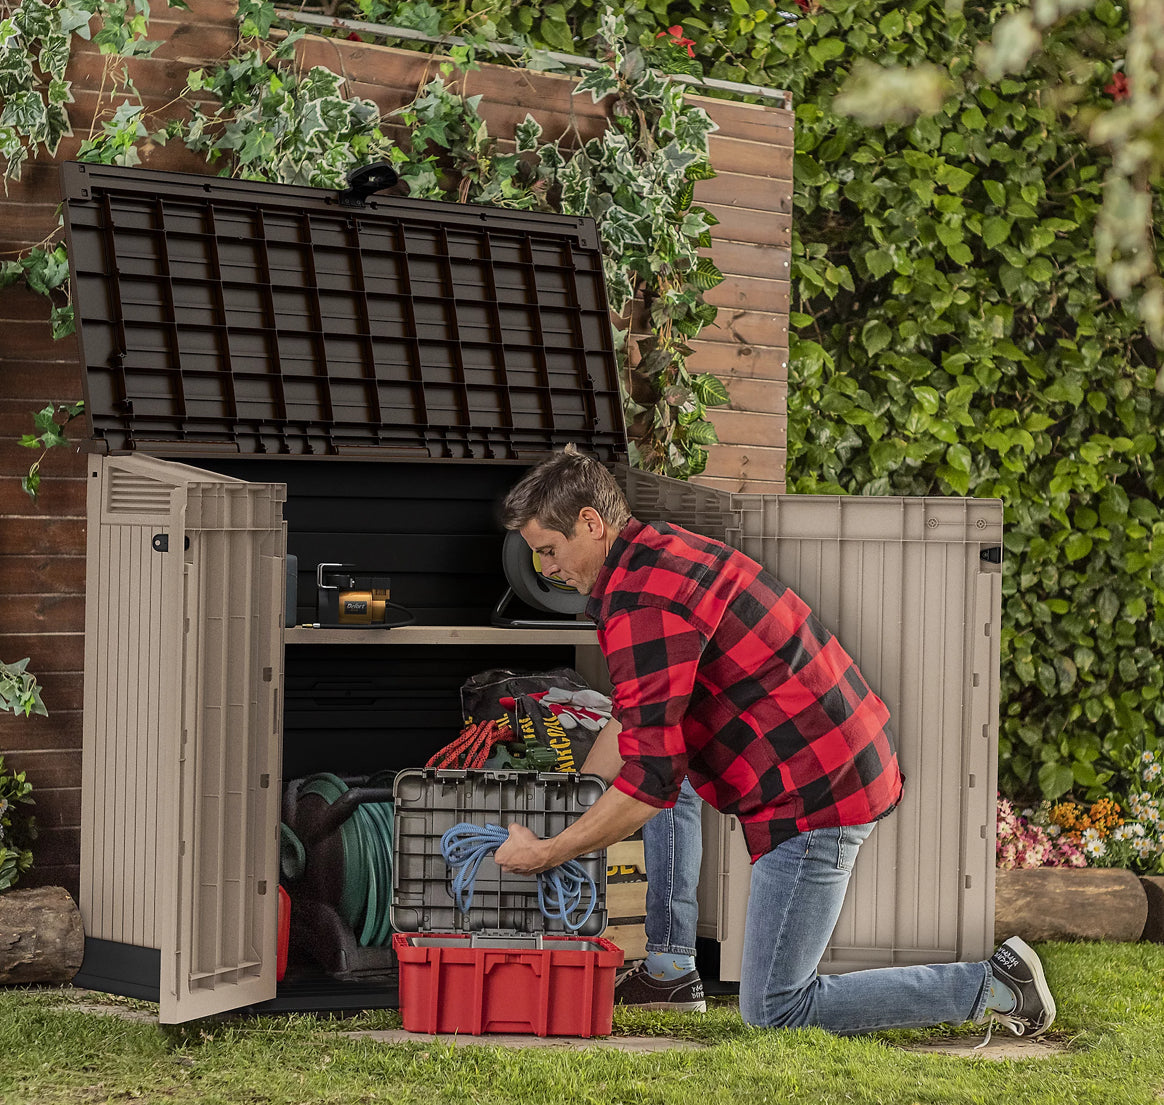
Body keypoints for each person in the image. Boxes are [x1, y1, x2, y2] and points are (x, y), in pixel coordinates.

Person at [493, 444, 1055, 1038]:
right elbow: (636, 726)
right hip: (826, 762)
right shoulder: (655, 555)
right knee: (776, 997)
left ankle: (996, 984)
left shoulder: (643, 601)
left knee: (775, 1008)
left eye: (549, 551)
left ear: (590, 523)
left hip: (817, 788)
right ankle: (996, 982)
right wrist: (561, 791)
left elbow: (649, 783)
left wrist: (550, 852)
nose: (547, 569)